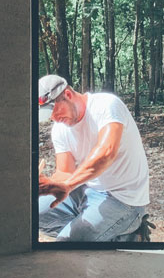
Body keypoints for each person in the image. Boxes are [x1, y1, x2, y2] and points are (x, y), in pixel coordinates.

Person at [37, 74, 151, 242]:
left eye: (54, 111)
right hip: (85, 191)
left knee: (65, 244)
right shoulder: (60, 129)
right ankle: (108, 235)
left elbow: (107, 151)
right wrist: (48, 185)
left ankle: (131, 232)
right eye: (50, 116)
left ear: (67, 95)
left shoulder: (106, 105)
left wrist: (68, 185)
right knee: (31, 214)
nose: (54, 119)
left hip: (123, 199)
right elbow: (64, 172)